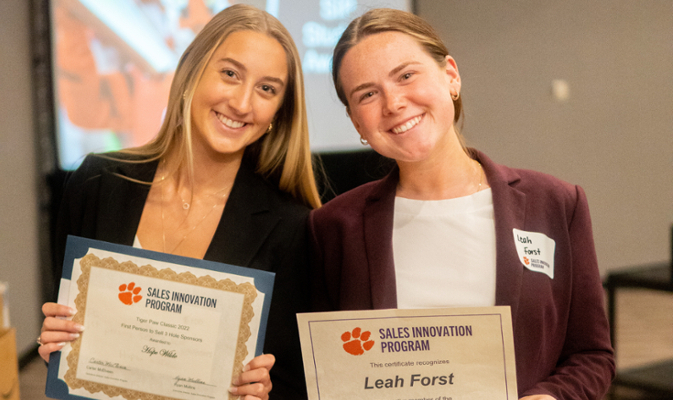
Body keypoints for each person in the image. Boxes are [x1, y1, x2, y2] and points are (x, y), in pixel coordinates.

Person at [309, 8, 614, 400]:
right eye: (367, 94)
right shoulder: (333, 229)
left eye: (406, 75)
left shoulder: (555, 204)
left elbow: (591, 355)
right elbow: (320, 369)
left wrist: (550, 397)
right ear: (355, 122)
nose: (393, 103)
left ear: (450, 76)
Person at [38, 5, 320, 400]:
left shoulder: (292, 228)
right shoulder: (97, 182)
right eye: (230, 74)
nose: (241, 102)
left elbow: (293, 381)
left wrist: (263, 391)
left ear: (277, 112)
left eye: (267, 89)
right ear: (191, 72)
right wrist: (57, 345)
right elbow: (66, 331)